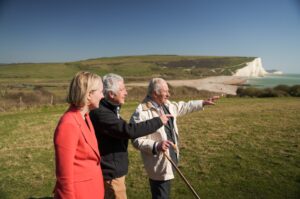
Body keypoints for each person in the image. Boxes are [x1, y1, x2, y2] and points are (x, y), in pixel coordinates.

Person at [131, 78, 219, 199]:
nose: (169, 94)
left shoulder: (166, 105)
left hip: (171, 156)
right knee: (161, 195)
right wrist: (155, 145)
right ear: (155, 93)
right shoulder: (141, 112)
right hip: (159, 162)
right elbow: (136, 139)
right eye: (165, 91)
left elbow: (183, 107)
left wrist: (202, 102)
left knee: (165, 191)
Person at [89, 73, 171, 199]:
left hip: (114, 171)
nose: (126, 92)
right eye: (122, 89)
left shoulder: (110, 110)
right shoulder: (102, 113)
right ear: (111, 94)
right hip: (111, 174)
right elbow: (128, 131)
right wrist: (158, 121)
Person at [53, 71, 105, 199]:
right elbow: (64, 174)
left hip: (92, 188)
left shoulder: (85, 117)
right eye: (100, 91)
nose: (102, 96)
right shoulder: (69, 124)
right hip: (80, 192)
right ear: (88, 95)